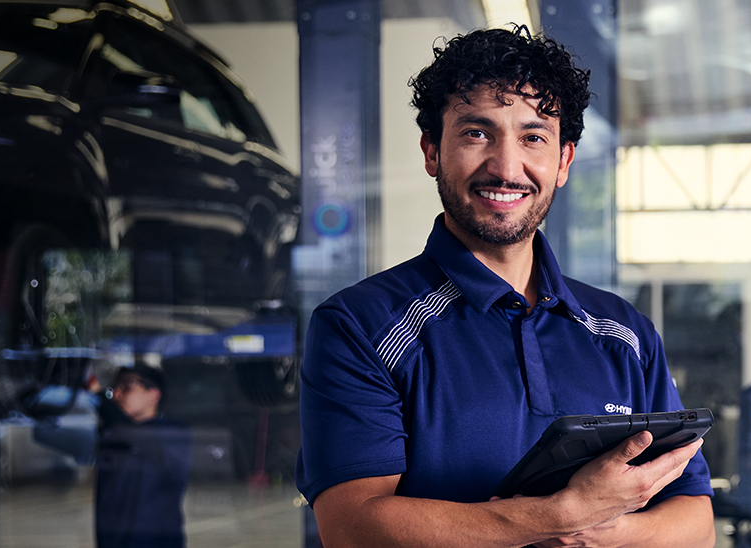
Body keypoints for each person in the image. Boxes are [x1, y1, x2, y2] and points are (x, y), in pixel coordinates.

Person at [296, 26, 714, 548]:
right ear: (432, 152)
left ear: (563, 161)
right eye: (476, 133)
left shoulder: (625, 332)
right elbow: (354, 529)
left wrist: (604, 533)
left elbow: (696, 525)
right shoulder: (359, 326)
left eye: (533, 137)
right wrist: (560, 514)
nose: (506, 166)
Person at [94, 366, 192, 548]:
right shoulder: (112, 434)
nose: (117, 395)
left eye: (127, 388)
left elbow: (132, 434)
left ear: (153, 395)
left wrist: (97, 396)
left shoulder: (172, 433)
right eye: (115, 389)